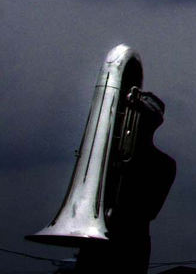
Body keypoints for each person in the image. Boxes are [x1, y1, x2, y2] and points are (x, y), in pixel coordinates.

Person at [75, 90, 176, 274]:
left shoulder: (164, 164)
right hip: (98, 241)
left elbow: (149, 211)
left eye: (139, 116)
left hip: (129, 244)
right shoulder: (105, 154)